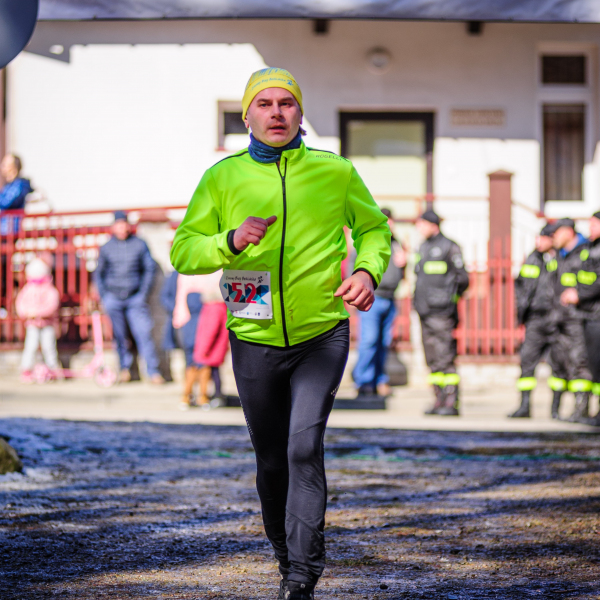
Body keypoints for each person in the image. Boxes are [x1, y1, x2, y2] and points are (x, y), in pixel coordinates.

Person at [170, 67, 390, 600]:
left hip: (321, 334)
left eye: (285, 103)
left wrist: (367, 271)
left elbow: (374, 228)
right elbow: (183, 250)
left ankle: (302, 575)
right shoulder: (223, 177)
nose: (276, 112)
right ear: (247, 116)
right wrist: (228, 240)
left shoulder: (334, 171)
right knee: (271, 459)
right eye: (264, 104)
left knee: (303, 449)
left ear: (299, 113)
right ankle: (285, 555)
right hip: (253, 336)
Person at [95, 211, 164, 384]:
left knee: (144, 333)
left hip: (135, 298)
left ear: (128, 225)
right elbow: (99, 273)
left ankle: (153, 371)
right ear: (113, 226)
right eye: (118, 224)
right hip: (113, 298)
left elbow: (149, 268)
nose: (121, 228)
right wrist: (105, 296)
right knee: (120, 337)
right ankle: (125, 369)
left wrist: (143, 294)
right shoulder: (106, 247)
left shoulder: (139, 244)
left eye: (124, 224)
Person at [413, 209, 469, 416]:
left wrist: (448, 299)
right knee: (432, 358)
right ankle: (438, 400)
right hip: (424, 311)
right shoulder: (423, 247)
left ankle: (451, 402)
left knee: (445, 356)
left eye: (421, 224)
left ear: (432, 224)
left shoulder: (449, 247)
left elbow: (463, 279)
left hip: (442, 313)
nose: (419, 228)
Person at [510, 222, 563, 418]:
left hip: (556, 319)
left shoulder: (561, 258)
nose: (538, 242)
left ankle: (555, 410)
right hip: (534, 319)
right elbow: (521, 286)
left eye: (543, 238)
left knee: (558, 364)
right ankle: (524, 406)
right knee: (527, 362)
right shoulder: (532, 259)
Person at [352, 207, 406, 397]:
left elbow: (401, 272)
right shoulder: (370, 240)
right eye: (386, 220)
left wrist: (404, 264)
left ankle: (379, 380)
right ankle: (364, 382)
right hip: (372, 298)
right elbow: (354, 266)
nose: (390, 224)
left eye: (391, 220)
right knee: (369, 340)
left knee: (383, 342)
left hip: (390, 298)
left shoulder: (396, 243)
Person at [551, 218, 593, 423]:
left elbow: (591, 282)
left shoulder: (585, 252)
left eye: (557, 232)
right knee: (562, 362)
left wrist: (579, 295)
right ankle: (564, 409)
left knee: (579, 361)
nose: (553, 237)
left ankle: (582, 409)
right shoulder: (560, 255)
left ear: (568, 232)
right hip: (561, 317)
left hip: (578, 317)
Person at [567, 211, 600, 425]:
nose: (590, 228)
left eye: (594, 224)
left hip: (597, 314)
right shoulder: (588, 248)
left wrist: (579, 294)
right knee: (591, 364)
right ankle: (589, 411)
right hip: (588, 314)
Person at [15, 257, 61, 382]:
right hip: (32, 324)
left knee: (49, 346)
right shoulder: (28, 289)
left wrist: (37, 313)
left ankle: (53, 368)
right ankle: (26, 369)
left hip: (47, 323)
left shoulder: (49, 289)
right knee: (30, 346)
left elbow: (52, 305)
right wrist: (26, 313)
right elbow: (20, 304)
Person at [191, 271, 229, 407]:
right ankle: (217, 396)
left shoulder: (213, 307)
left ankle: (213, 397)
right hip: (215, 347)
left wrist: (203, 349)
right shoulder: (221, 307)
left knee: (211, 373)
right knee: (215, 372)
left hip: (211, 348)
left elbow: (210, 330)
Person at [0, 154, 33, 234]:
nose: (1, 167)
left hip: (10, 229)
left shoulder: (19, 185)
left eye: (5, 165)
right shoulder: (8, 186)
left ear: (14, 168)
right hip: (4, 228)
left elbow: (6, 202)